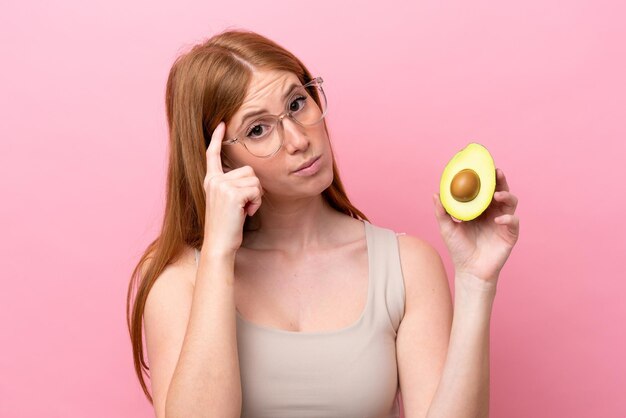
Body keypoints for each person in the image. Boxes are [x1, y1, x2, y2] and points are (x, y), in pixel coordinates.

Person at [126, 29, 520, 418]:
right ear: (220, 161)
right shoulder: (178, 279)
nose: (298, 139)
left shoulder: (407, 266)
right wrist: (217, 254)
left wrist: (475, 283)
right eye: (258, 129)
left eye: (297, 103)